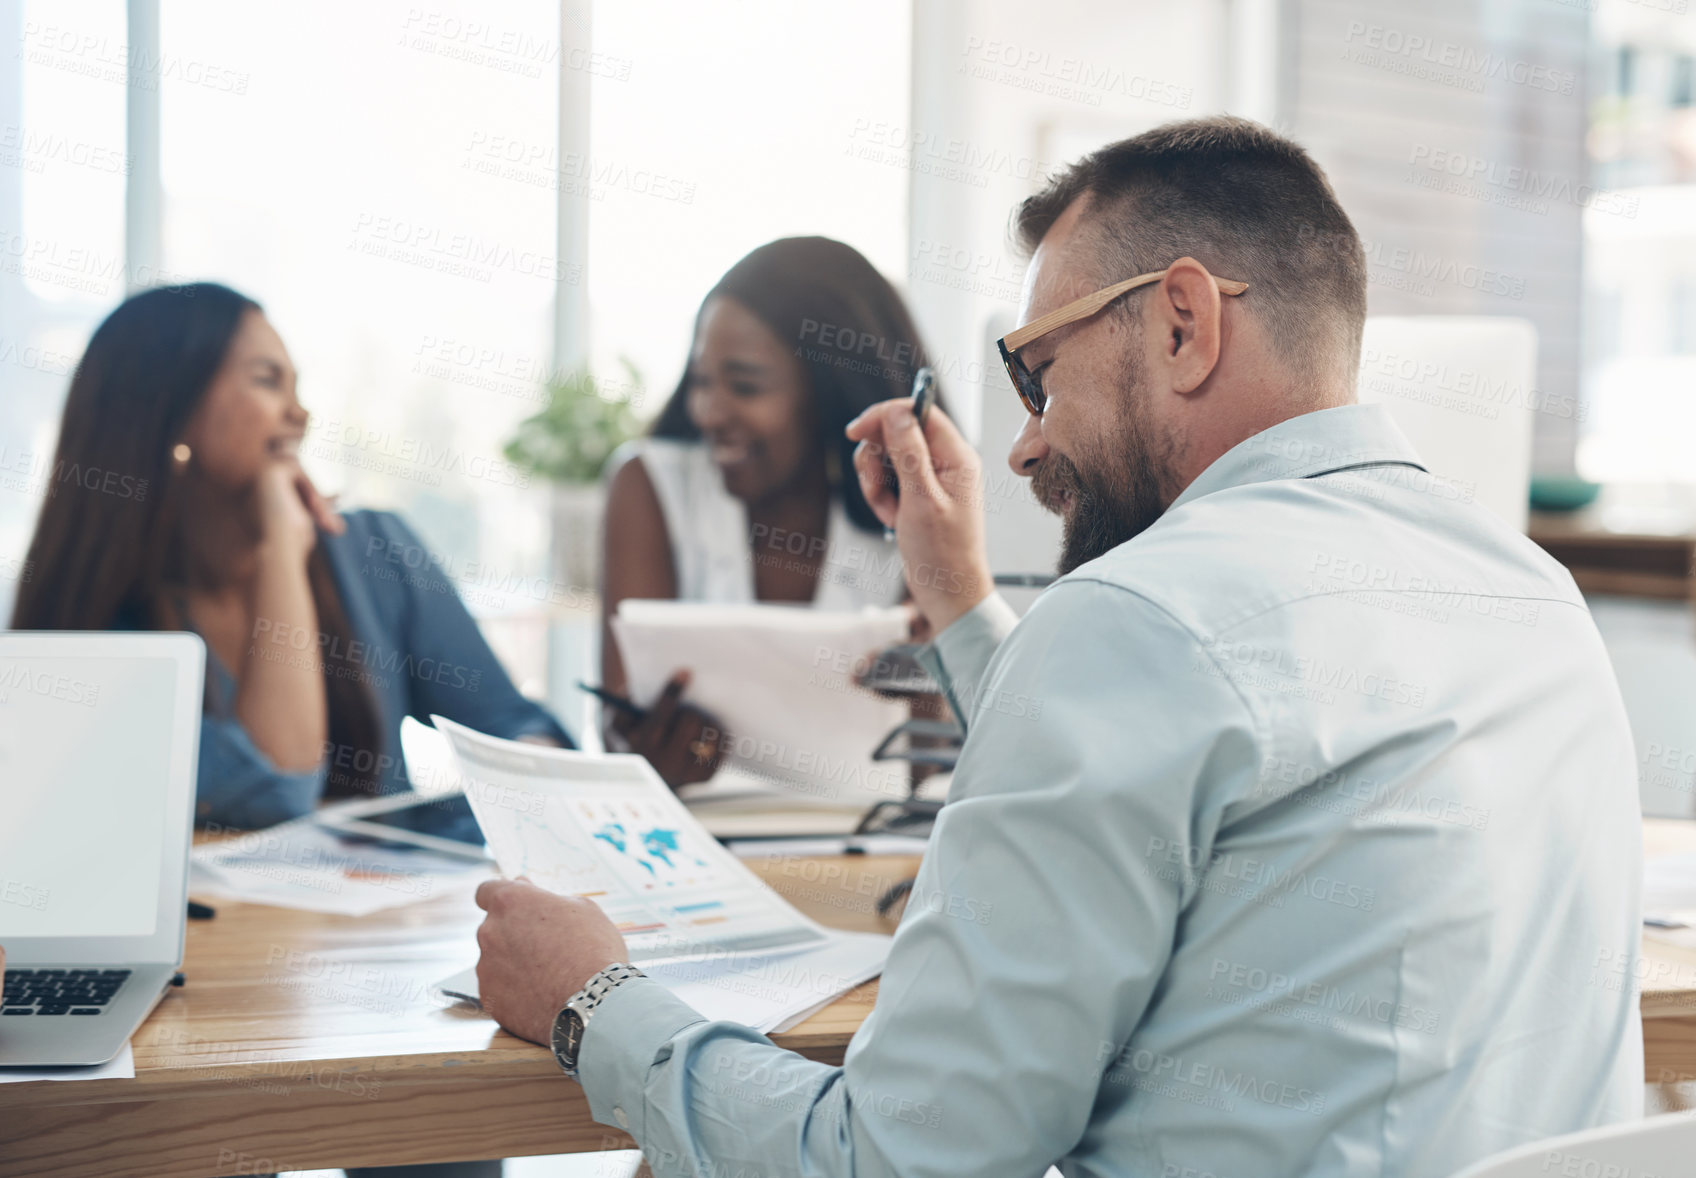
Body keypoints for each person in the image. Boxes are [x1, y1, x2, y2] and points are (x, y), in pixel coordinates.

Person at [472, 117, 1643, 1177]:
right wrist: (960, 598)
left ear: (1183, 323)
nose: (1026, 450)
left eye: (1037, 377)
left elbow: (893, 1159)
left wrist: (596, 998)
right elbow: (1182, 750)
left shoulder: (1142, 614)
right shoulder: (1534, 595)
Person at [12, 283, 572, 841]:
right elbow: (274, 790)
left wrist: (533, 779)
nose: (299, 413)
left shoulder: (375, 547)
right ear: (169, 410)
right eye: (267, 381)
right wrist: (282, 551)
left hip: (386, 921)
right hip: (227, 931)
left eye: (296, 385)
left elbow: (510, 725)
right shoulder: (108, 622)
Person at [598, 236, 937, 786]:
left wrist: (934, 693)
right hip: (696, 844)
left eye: (745, 385)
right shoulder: (649, 484)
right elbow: (619, 726)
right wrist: (643, 747)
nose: (708, 412)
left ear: (828, 389)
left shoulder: (910, 508)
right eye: (701, 381)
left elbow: (927, 765)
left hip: (864, 851)